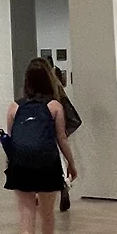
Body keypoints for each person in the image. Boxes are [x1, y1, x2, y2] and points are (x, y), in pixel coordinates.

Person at [4, 58, 77, 234]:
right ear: (49, 79)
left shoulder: (14, 107)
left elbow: (11, 140)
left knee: (26, 215)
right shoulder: (55, 107)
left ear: (27, 81)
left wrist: (10, 165)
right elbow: (62, 138)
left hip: (21, 165)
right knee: (47, 212)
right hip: (46, 164)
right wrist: (71, 164)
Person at [44, 58, 82, 212]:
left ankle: (44, 191)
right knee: (60, 157)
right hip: (58, 127)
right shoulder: (56, 86)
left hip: (44, 130)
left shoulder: (36, 89)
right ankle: (64, 184)